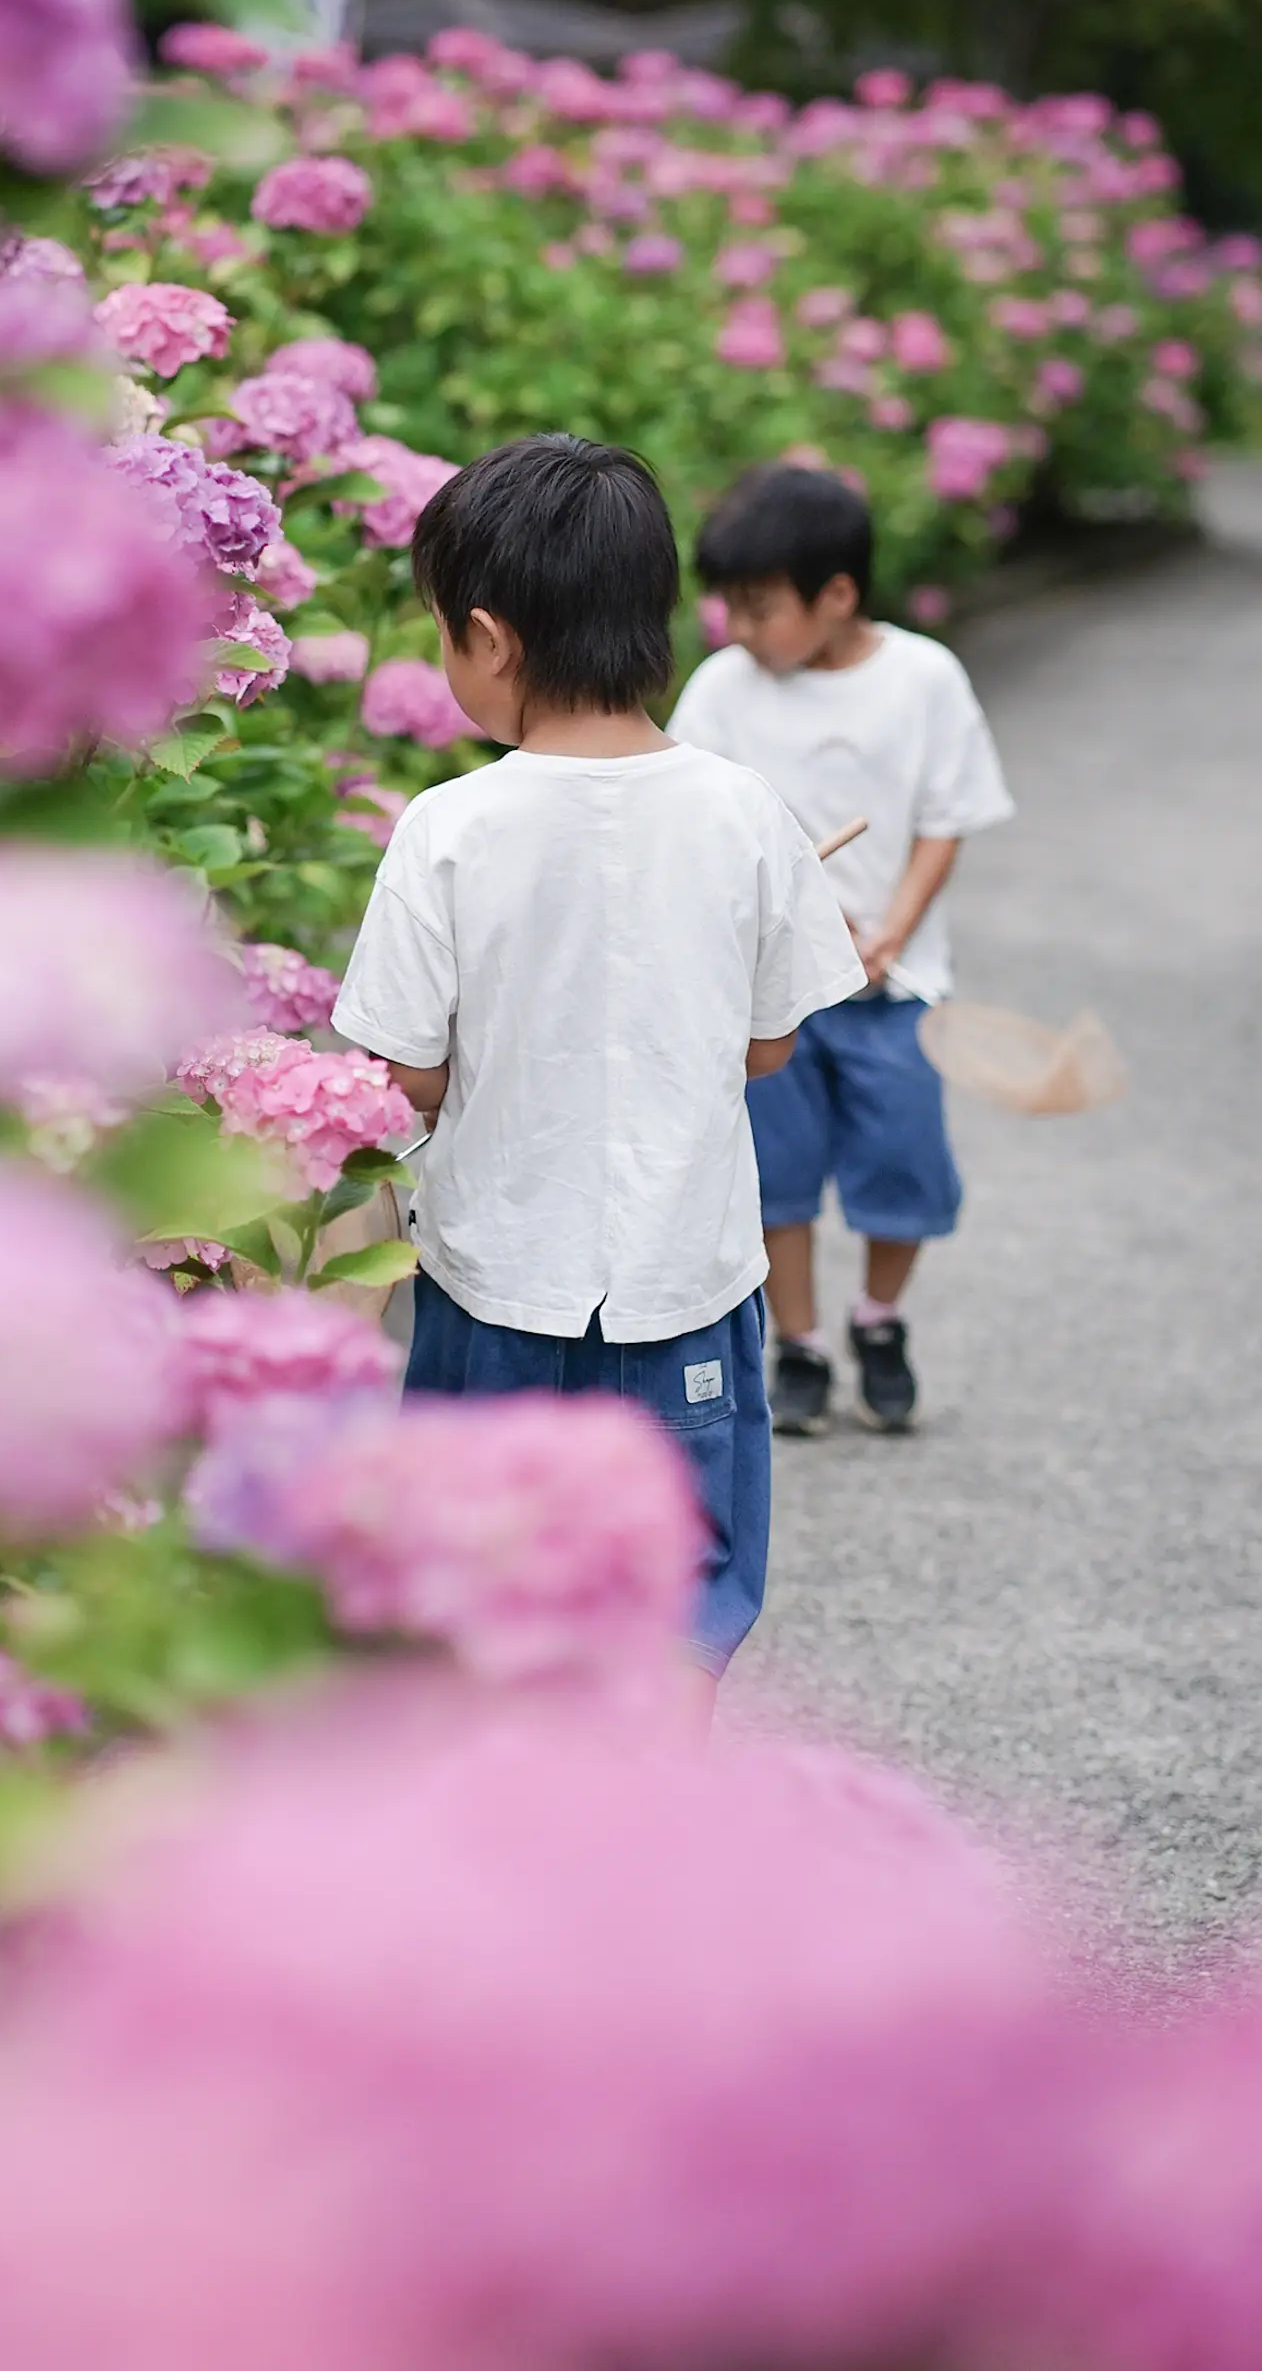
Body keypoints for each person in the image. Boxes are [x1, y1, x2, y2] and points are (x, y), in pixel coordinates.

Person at [331, 434, 863, 1701]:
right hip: (685, 1278)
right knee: (677, 1599)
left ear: (488, 637)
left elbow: (400, 1073)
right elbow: (774, 1040)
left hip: (496, 1283)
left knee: (477, 1596)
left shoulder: (449, 829)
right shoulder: (745, 812)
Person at [669, 463, 1015, 1437]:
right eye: (730, 605)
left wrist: (894, 928)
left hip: (893, 988)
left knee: (903, 1167)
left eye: (761, 607)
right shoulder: (724, 690)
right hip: (775, 997)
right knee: (777, 1176)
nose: (739, 628)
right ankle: (804, 1344)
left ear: (838, 595)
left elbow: (946, 819)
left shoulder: (923, 679)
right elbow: (695, 823)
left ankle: (880, 1319)